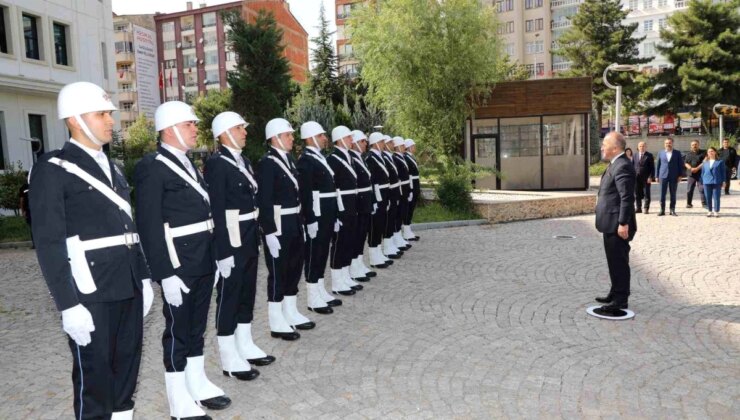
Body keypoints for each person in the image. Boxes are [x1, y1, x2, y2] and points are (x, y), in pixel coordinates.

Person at [29, 81, 154, 419]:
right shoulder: (53, 169)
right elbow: (49, 243)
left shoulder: (112, 168)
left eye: (109, 114)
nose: (110, 121)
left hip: (126, 283)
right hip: (90, 290)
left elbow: (130, 227)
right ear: (74, 119)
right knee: (94, 379)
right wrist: (68, 305)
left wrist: (142, 278)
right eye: (102, 114)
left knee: (127, 370)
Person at [135, 101, 230, 419]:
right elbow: (149, 224)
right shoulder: (153, 166)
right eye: (189, 124)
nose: (195, 129)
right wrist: (164, 273)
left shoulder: (189, 163)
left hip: (202, 258)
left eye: (194, 124)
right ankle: (178, 400)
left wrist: (215, 258)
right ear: (170, 128)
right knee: (177, 330)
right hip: (178, 263)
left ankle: (196, 382)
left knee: (196, 327)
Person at [205, 111, 274, 382]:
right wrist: (222, 252)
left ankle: (244, 344)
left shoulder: (242, 160)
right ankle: (228, 356)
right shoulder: (217, 163)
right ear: (223, 133)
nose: (245, 132)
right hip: (231, 239)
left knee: (246, 291)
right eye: (239, 128)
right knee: (229, 295)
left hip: (248, 234)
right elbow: (216, 209)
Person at [257, 118, 311, 339]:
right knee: (278, 272)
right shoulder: (268, 163)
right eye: (288, 135)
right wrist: (269, 232)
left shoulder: (288, 160)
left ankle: (290, 311)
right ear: (276, 138)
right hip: (278, 225)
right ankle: (276, 319)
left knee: (293, 268)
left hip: (293, 222)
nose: (292, 138)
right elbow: (264, 200)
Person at [295, 121, 343, 313]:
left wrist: (336, 214)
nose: (325, 138)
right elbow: (305, 193)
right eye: (322, 135)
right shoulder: (306, 160)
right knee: (314, 253)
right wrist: (310, 219)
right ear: (311, 137)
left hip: (327, 212)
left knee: (322, 251)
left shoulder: (319, 158)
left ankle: (320, 290)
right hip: (317, 214)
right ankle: (312, 297)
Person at [594, 132, 637, 316]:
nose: (602, 147)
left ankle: (620, 299)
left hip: (616, 224)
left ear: (615, 148)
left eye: (605, 144)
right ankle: (615, 292)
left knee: (619, 261)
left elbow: (626, 197)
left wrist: (623, 223)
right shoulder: (615, 163)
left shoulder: (622, 166)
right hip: (609, 222)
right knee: (614, 261)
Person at [328, 126, 364, 294]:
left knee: (349, 241)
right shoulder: (333, 159)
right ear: (340, 139)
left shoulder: (347, 157)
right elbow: (332, 187)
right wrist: (335, 213)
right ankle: (336, 281)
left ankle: (345, 275)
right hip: (341, 205)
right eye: (349, 137)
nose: (352, 140)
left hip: (351, 204)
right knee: (340, 243)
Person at [349, 130, 377, 282]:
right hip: (358, 203)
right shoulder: (352, 159)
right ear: (354, 143)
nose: (365, 143)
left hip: (364, 202)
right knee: (356, 236)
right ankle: (354, 266)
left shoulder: (360, 158)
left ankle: (358, 263)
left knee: (361, 236)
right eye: (362, 141)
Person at [365, 133, 394, 268]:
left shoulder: (379, 157)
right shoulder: (370, 158)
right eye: (382, 141)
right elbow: (372, 181)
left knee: (380, 225)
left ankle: (378, 252)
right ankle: (373, 256)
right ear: (375, 142)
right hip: (377, 195)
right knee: (374, 227)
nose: (384, 144)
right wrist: (375, 200)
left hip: (383, 193)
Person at [381, 135, 404, 258]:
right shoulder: (384, 157)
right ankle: (387, 246)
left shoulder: (389, 157)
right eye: (389, 143)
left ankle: (391, 244)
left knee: (393, 217)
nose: (392, 145)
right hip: (388, 192)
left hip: (394, 190)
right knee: (388, 219)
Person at [392, 136, 413, 251]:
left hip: (404, 188)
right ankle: (396, 236)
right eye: (403, 145)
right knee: (399, 214)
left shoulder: (401, 157)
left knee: (402, 212)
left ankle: (398, 236)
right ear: (398, 146)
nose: (405, 147)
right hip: (400, 189)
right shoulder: (395, 158)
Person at [655, 137, 683, 216]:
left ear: (672, 143)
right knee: (662, 194)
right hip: (663, 176)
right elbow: (658, 165)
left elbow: (680, 165)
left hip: (674, 176)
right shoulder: (660, 153)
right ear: (664, 144)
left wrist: (680, 175)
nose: (668, 144)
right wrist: (656, 176)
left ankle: (672, 210)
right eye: (667, 143)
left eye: (670, 143)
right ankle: (662, 210)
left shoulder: (677, 153)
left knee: (673, 193)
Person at [701, 147, 727, 217]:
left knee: (716, 197)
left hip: (716, 181)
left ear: (715, 152)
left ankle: (716, 211)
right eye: (709, 152)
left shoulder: (720, 162)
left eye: (712, 151)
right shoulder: (705, 163)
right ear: (707, 153)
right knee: (708, 197)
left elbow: (723, 172)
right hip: (706, 182)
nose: (710, 153)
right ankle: (709, 211)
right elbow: (702, 173)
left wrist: (724, 181)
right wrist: (702, 182)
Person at [403, 139, 420, 241]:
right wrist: (410, 189)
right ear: (409, 147)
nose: (415, 148)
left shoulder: (410, 157)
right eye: (413, 146)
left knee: (411, 208)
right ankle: (406, 229)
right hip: (411, 185)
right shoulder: (406, 158)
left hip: (415, 184)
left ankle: (408, 229)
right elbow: (408, 175)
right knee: (408, 209)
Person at [683, 140, 706, 209]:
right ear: (691, 146)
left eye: (695, 144)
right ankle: (689, 203)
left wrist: (697, 168)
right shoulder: (688, 154)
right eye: (693, 145)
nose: (694, 146)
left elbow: (705, 161)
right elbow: (685, 163)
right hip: (691, 174)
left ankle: (704, 203)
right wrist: (690, 168)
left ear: (698, 145)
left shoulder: (703, 153)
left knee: (702, 189)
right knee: (689, 189)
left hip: (701, 174)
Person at [633, 141, 654, 214]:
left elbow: (652, 168)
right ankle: (638, 208)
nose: (642, 147)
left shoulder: (649, 155)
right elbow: (632, 166)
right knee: (637, 193)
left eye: (643, 146)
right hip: (636, 178)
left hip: (646, 178)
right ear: (638, 147)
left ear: (646, 147)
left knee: (646, 193)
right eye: (640, 146)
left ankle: (646, 208)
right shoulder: (635, 155)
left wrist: (650, 177)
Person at [18, 174, 33, 248]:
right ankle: (35, 243)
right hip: (29, 209)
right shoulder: (23, 187)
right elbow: (22, 200)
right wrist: (22, 210)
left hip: (36, 209)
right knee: (32, 226)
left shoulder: (36, 185)